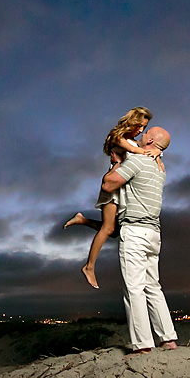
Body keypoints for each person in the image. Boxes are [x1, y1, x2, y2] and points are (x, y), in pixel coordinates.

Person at [64, 107, 161, 289]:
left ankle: (82, 220)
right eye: (140, 126)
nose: (141, 130)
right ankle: (89, 267)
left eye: (144, 127)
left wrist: (158, 154)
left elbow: (148, 149)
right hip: (113, 187)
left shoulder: (132, 141)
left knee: (115, 231)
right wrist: (149, 153)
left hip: (121, 186)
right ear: (132, 121)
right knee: (109, 229)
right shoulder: (119, 137)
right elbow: (137, 151)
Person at [102, 126, 177, 353]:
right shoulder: (159, 167)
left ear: (150, 140)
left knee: (134, 288)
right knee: (153, 286)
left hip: (135, 231)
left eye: (145, 134)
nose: (140, 136)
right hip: (154, 233)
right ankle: (168, 339)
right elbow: (155, 152)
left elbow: (108, 184)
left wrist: (116, 163)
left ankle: (142, 345)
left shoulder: (137, 161)